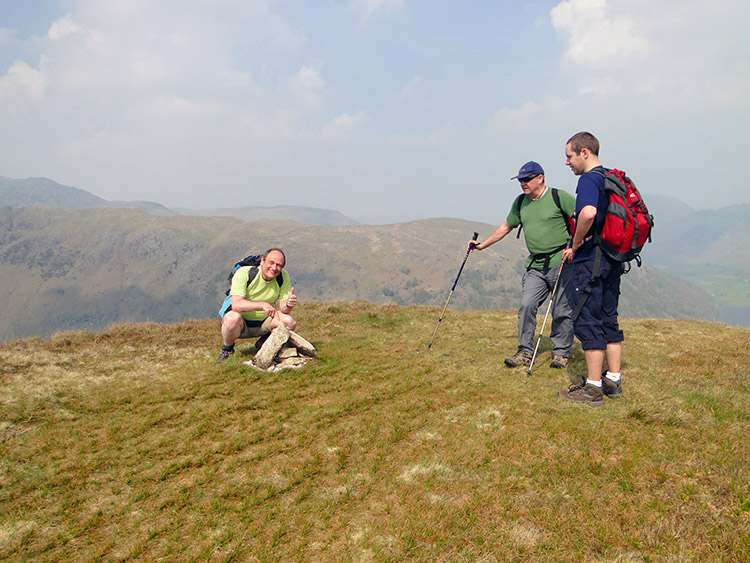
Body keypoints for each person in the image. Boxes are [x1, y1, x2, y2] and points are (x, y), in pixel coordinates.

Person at [471, 161, 576, 369]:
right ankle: (525, 352)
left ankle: (561, 353)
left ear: (540, 178)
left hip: (561, 262)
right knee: (527, 305)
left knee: (561, 309)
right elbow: (506, 226)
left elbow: (583, 217)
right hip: (535, 264)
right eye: (520, 180)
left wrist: (575, 246)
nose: (523, 184)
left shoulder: (559, 197)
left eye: (527, 179)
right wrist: (482, 246)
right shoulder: (520, 202)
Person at [558, 132, 624, 406]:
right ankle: (613, 379)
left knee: (587, 318)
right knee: (609, 317)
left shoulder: (589, 179)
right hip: (613, 257)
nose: (567, 163)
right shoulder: (611, 177)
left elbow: (587, 213)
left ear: (585, 152)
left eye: (569, 156)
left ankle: (593, 387)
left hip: (592, 260)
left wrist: (575, 243)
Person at [214, 248, 297, 365]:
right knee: (232, 318)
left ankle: (265, 344)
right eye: (271, 263)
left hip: (264, 322)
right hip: (242, 324)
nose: (274, 268)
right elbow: (236, 305)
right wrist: (262, 305)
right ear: (262, 261)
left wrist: (289, 304)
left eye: (279, 265)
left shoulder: (283, 277)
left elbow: (283, 308)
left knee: (290, 322)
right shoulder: (245, 273)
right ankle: (227, 349)